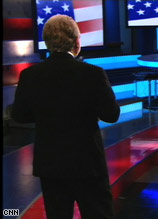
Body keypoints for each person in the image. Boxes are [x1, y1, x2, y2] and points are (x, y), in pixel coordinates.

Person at [12, 15, 120, 218]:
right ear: (76, 42)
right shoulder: (93, 73)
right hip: (87, 164)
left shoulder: (30, 75)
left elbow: (19, 115)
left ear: (47, 42)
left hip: (50, 164)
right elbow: (112, 115)